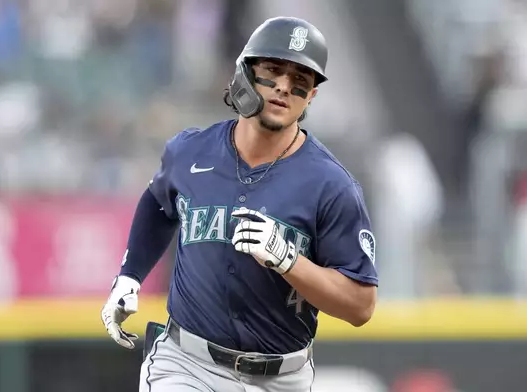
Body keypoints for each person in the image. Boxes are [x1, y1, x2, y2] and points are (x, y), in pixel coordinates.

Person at [101, 16, 378, 392]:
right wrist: (129, 275)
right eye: (273, 70)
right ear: (245, 73)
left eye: (300, 82)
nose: (283, 87)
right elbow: (156, 201)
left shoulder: (331, 185)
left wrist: (288, 259)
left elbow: (360, 306)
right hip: (186, 365)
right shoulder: (190, 151)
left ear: (311, 96)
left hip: (281, 378)